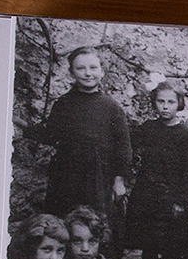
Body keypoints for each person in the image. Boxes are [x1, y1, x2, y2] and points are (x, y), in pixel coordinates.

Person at [28, 46, 131, 218]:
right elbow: (51, 135)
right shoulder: (63, 104)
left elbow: (123, 147)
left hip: (98, 177)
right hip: (66, 175)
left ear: (102, 71)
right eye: (81, 68)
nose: (88, 73)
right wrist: (23, 127)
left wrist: (119, 181)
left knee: (95, 221)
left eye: (93, 68)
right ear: (72, 73)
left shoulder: (111, 107)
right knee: (63, 219)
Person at [125, 80, 188, 259]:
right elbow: (128, 146)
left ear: (179, 104)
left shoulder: (186, 134)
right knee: (148, 241)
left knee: (170, 244)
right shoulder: (148, 128)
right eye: (161, 101)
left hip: (172, 196)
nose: (165, 107)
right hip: (148, 194)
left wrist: (180, 200)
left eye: (170, 102)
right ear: (154, 103)